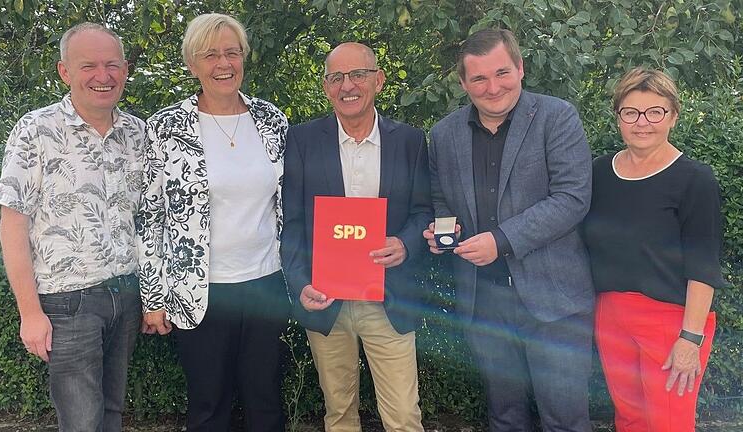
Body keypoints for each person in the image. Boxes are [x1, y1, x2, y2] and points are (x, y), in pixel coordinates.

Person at [423, 28, 595, 431]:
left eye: (501, 73)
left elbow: (572, 198)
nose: (492, 87)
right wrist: (443, 231)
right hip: (485, 300)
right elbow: (441, 199)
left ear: (520, 68)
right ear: (464, 83)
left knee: (565, 419)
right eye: (479, 78)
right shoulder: (444, 135)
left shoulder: (557, 117)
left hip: (555, 301)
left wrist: (500, 241)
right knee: (504, 416)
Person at [136, 13, 290, 432]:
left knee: (265, 401)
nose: (223, 63)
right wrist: (153, 296)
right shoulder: (167, 127)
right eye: (210, 54)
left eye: (231, 52)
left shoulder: (272, 121)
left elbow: (289, 203)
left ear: (243, 57)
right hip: (197, 289)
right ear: (192, 64)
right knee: (208, 406)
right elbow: (151, 217)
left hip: (265, 283)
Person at [0, 23, 144, 431]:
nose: (103, 75)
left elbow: (149, 218)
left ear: (126, 69)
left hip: (126, 294)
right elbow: (12, 225)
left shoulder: (136, 133)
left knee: (112, 412)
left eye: (112, 65)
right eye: (88, 66)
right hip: (66, 302)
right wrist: (30, 313)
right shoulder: (36, 131)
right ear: (64, 72)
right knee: (80, 421)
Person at [281, 42, 432, 431]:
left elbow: (422, 212)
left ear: (378, 80)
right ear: (326, 86)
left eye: (358, 75)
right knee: (339, 413)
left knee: (403, 415)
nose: (348, 85)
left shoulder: (410, 141)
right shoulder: (302, 141)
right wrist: (300, 284)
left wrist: (405, 243)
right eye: (336, 77)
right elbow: (292, 222)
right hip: (326, 299)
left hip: (389, 297)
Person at [581, 67, 723, 432]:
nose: (642, 122)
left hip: (671, 321)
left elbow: (703, 265)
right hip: (611, 314)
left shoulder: (694, 179)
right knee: (629, 420)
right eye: (631, 112)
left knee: (668, 423)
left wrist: (690, 339)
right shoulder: (599, 173)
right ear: (618, 118)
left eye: (654, 111)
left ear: (673, 115)